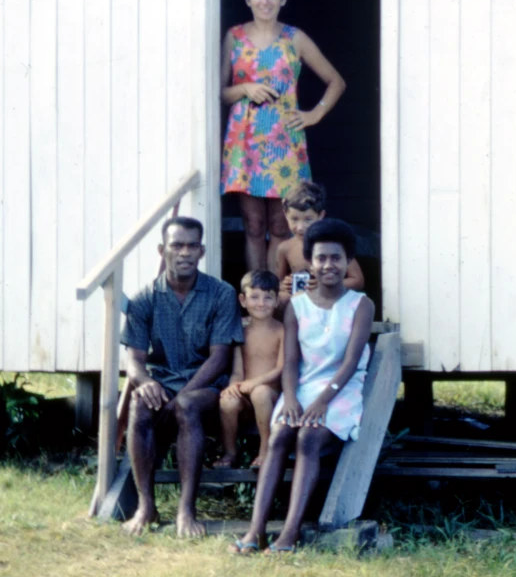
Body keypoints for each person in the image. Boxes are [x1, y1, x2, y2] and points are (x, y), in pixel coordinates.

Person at [229, 219, 375, 554]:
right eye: (321, 258)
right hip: (303, 386)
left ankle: (290, 533)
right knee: (280, 434)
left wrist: (323, 402)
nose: (328, 265)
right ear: (309, 261)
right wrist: (291, 398)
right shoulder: (297, 305)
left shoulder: (360, 305)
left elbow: (351, 362)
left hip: (341, 389)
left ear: (347, 260)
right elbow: (291, 361)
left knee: (308, 437)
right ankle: (255, 532)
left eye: (336, 258)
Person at [120, 217, 243, 537]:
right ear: (163, 250)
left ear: (202, 251)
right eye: (177, 245)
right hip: (162, 379)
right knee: (138, 404)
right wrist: (145, 382)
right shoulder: (145, 297)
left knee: (186, 405)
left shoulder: (221, 293)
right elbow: (134, 359)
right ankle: (146, 505)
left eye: (192, 246)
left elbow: (219, 358)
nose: (184, 252)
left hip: (205, 385)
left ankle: (186, 510)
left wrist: (180, 396)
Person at [220, 0, 346, 273]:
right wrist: (245, 87)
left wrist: (314, 115)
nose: (265, 1)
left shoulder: (294, 38)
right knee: (252, 224)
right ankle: (255, 301)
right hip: (244, 142)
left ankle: (275, 301)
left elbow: (336, 81)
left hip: (283, 143)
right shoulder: (234, 37)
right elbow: (220, 93)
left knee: (280, 225)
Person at [214, 270, 284, 470]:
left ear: (277, 300)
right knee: (227, 400)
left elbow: (281, 368)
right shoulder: (240, 331)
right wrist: (232, 386)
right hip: (246, 394)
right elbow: (237, 370)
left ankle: (265, 450)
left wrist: (254, 384)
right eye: (254, 297)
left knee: (260, 393)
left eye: (268, 297)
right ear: (243, 300)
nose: (261, 303)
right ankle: (230, 452)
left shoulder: (281, 330)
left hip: (270, 396)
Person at [276, 180, 364, 307]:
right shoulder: (285, 248)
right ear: (285, 215)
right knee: (281, 299)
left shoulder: (333, 243)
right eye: (294, 219)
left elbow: (358, 280)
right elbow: (278, 282)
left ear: (320, 215)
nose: (300, 227)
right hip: (301, 300)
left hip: (331, 296)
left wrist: (325, 284)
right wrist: (285, 284)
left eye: (308, 219)